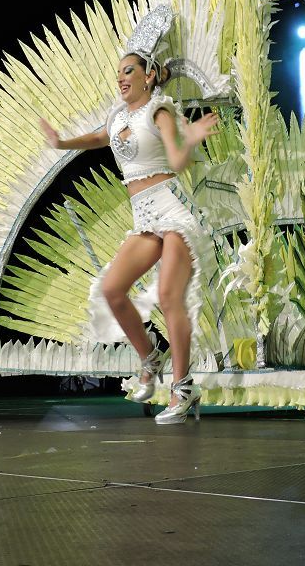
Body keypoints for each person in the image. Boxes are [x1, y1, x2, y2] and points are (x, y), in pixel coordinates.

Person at [38, 46, 218, 425]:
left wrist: (193, 137)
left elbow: (178, 160)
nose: (121, 78)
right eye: (118, 72)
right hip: (144, 217)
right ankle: (150, 357)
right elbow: (100, 138)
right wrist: (61, 144)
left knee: (170, 296)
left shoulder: (160, 110)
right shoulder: (120, 115)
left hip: (172, 209)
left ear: (148, 76)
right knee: (112, 290)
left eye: (129, 71)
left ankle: (183, 387)